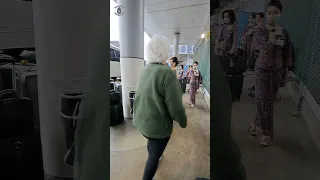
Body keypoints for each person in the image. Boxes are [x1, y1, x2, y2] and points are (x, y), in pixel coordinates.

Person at [133, 35, 187, 180]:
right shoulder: (167, 73)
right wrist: (183, 121)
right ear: (165, 52)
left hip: (141, 122)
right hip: (158, 129)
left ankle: (155, 153)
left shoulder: (145, 69)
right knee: (153, 159)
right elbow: (176, 108)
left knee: (152, 144)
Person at [249, 0, 292, 147]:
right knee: (262, 100)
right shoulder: (260, 30)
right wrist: (272, 35)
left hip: (277, 72)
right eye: (269, 13)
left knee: (268, 102)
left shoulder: (285, 32)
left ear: (281, 14)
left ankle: (254, 123)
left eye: (276, 13)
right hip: (262, 70)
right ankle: (266, 133)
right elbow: (263, 48)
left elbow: (287, 53)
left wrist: (286, 72)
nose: (272, 16)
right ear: (266, 14)